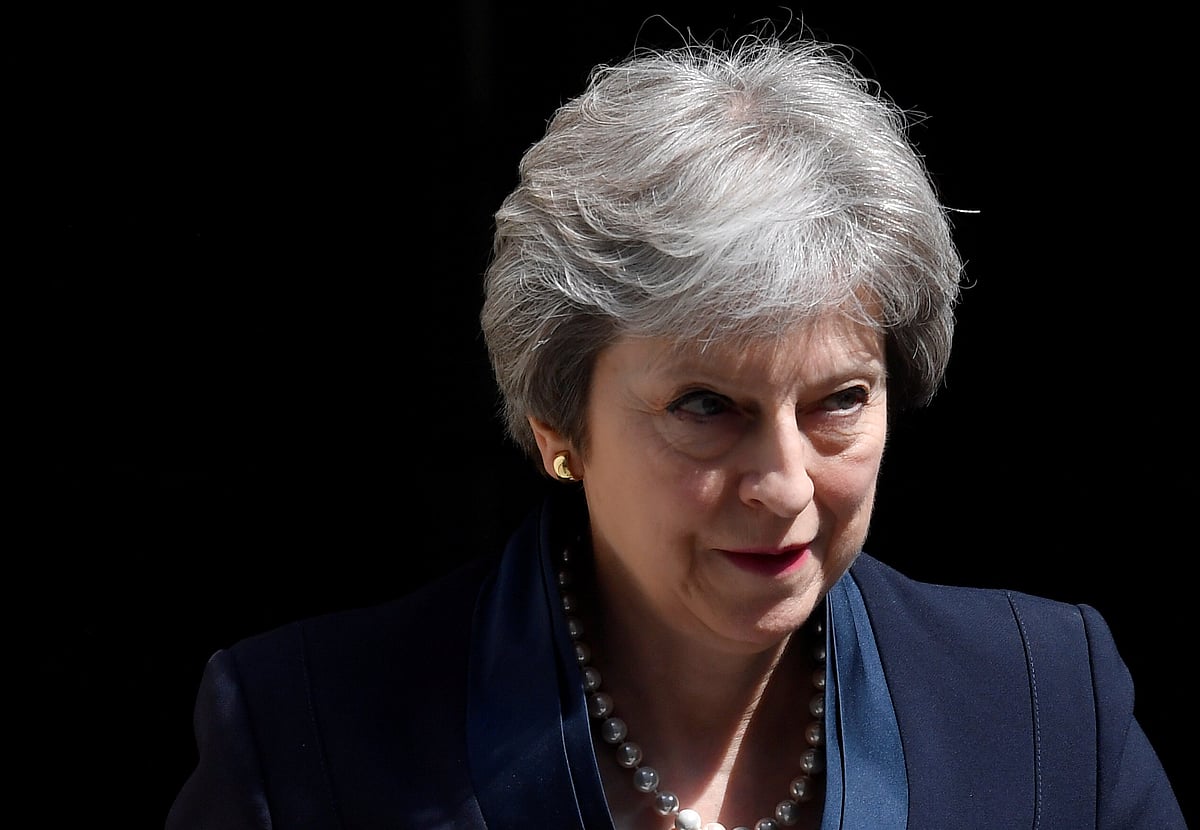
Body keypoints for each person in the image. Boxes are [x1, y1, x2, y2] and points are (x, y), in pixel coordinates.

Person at [165, 30, 1186, 830]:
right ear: (559, 422)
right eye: (707, 406)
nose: (785, 484)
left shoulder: (1044, 703)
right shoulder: (305, 741)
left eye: (838, 400)